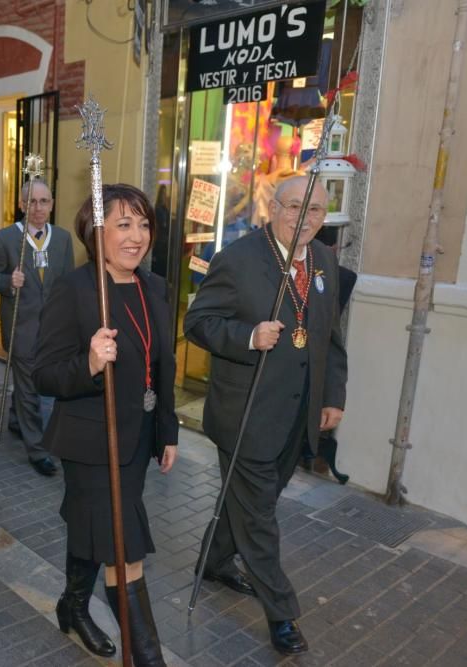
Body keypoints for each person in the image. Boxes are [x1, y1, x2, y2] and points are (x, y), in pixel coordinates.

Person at [183, 175, 347, 657]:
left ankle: (213, 561)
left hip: (296, 416)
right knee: (258, 519)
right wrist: (249, 337)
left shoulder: (325, 262)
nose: (305, 218)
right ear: (273, 207)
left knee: (252, 505)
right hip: (246, 413)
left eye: (315, 210)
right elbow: (199, 323)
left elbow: (330, 337)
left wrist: (332, 396)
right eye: (295, 206)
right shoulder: (237, 259)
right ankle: (282, 614)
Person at [34, 184, 177, 665]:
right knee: (123, 546)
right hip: (92, 441)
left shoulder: (154, 287)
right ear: (96, 233)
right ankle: (148, 660)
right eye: (123, 224)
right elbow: (45, 373)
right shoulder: (74, 290)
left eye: (143, 224)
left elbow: (164, 365)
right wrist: (90, 364)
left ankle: (73, 605)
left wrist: (169, 430)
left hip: (138, 439)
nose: (137, 236)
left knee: (96, 528)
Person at [0, 178, 72, 477]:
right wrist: (8, 281)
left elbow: (69, 284)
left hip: (54, 330)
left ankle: (15, 419)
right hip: (21, 327)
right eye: (31, 202)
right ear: (22, 205)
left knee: (32, 385)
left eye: (44, 201)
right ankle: (37, 449)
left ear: (52, 204)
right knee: (29, 390)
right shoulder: (6, 238)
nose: (38, 208)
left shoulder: (62, 239)